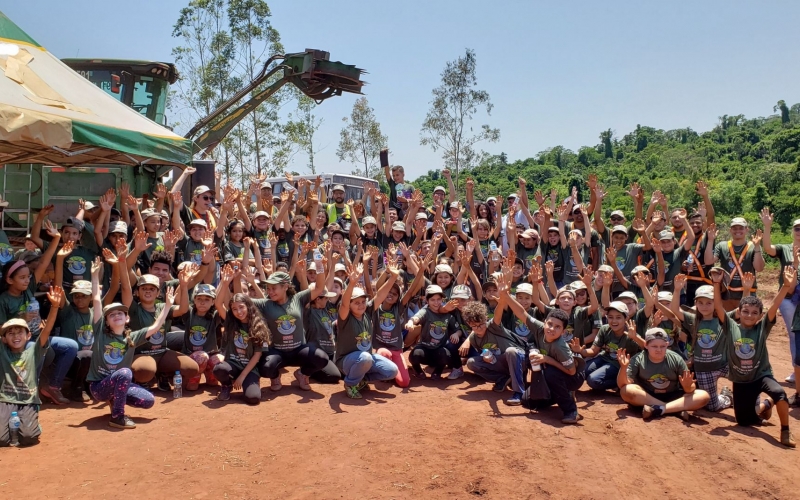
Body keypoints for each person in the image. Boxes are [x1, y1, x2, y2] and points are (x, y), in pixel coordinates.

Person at [713, 266, 796, 447]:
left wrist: (785, 286)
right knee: (744, 421)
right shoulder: (730, 327)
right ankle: (766, 405)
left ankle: (785, 431)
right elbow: (718, 306)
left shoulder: (762, 328)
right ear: (739, 312)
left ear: (760, 316)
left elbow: (774, 306)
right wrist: (716, 283)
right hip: (741, 381)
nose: (749, 315)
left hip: (761, 375)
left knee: (780, 393)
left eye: (754, 313)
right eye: (745, 312)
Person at [86, 283, 175, 429]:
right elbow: (96, 301)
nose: (116, 316)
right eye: (111, 315)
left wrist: (167, 306)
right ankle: (117, 417)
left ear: (127, 318)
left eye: (120, 313)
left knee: (148, 401)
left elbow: (155, 327)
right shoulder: (100, 333)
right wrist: (95, 276)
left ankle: (115, 399)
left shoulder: (132, 337)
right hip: (99, 387)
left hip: (120, 383)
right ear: (106, 321)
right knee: (125, 373)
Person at [0, 286, 61, 446]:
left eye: (19, 332)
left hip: (28, 399)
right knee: (1, 439)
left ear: (28, 335)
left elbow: (46, 330)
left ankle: (32, 423)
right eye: (10, 333)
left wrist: (54, 306)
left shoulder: (34, 351)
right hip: (5, 399)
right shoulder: (2, 351)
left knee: (28, 438)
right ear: (4, 338)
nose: (15, 336)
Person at [668, 275, 733, 412]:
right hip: (704, 369)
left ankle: (748, 399)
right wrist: (677, 289)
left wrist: (745, 289)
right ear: (696, 304)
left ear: (716, 303)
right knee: (711, 406)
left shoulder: (723, 319)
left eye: (709, 302)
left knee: (745, 375)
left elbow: (741, 312)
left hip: (725, 364)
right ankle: (726, 397)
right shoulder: (692, 320)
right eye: (700, 303)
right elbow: (675, 309)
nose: (704, 306)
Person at [617, 328, 710, 420]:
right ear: (646, 345)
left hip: (673, 395)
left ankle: (657, 409)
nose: (659, 350)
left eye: (662, 346)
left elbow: (690, 389)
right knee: (626, 390)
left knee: (703, 396)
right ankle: (672, 409)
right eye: (654, 346)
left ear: (667, 344)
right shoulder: (638, 359)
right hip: (647, 396)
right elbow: (622, 384)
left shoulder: (676, 359)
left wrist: (687, 386)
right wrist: (623, 368)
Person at [336, 265, 399, 399]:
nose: (361, 305)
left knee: (392, 371)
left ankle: (362, 380)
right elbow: (344, 304)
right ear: (351, 304)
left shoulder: (367, 312)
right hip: (347, 362)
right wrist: (352, 283)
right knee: (366, 357)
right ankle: (350, 383)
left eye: (363, 302)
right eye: (356, 303)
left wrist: (393, 277)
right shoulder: (345, 318)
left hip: (366, 360)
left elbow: (380, 295)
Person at [213, 292, 270, 405]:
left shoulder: (259, 325)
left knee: (253, 398)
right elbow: (218, 304)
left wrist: (242, 377)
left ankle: (251, 382)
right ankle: (226, 385)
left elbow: (257, 355)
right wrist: (225, 283)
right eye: (234, 309)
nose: (239, 312)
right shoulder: (231, 322)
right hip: (232, 364)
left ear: (248, 306)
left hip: (249, 368)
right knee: (219, 369)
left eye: (241, 307)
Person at [571, 301, 641, 391]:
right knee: (581, 372)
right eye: (610, 317)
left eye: (618, 317)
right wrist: (581, 351)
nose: (614, 321)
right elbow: (593, 351)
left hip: (619, 364)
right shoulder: (604, 329)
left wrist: (635, 338)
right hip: (604, 358)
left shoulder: (630, 332)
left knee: (593, 380)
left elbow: (646, 347)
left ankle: (622, 382)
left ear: (626, 318)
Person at [405, 285, 463, 380]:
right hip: (424, 348)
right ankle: (418, 370)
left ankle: (438, 370)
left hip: (439, 350)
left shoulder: (448, 315)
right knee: (414, 355)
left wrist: (456, 334)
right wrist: (410, 322)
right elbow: (417, 317)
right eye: (432, 300)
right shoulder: (425, 311)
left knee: (446, 354)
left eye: (438, 299)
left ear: (442, 300)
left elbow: (458, 329)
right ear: (427, 301)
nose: (436, 303)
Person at [181, 283, 224, 391]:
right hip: (191, 355)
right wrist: (184, 285)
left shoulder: (215, 316)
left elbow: (221, 305)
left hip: (210, 354)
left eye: (207, 299)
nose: (202, 302)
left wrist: (225, 283)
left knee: (220, 361)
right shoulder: (189, 313)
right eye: (199, 298)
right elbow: (183, 305)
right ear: (194, 300)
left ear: (213, 301)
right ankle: (194, 377)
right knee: (202, 356)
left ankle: (210, 374)